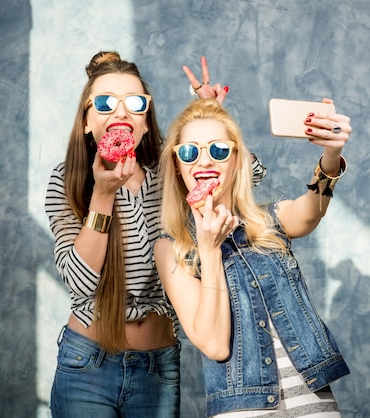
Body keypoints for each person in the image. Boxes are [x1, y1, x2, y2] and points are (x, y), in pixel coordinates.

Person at [45, 52, 266, 417]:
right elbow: (81, 285)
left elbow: (248, 174)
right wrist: (102, 196)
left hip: (157, 368)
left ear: (146, 122)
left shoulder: (171, 175)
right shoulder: (66, 181)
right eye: (104, 103)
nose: (120, 113)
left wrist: (211, 125)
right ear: (86, 121)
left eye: (134, 103)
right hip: (87, 365)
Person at [155, 98, 352, 417]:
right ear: (178, 168)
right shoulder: (172, 248)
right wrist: (209, 249)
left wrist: (331, 157)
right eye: (190, 152)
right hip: (243, 408)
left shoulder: (270, 220)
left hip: (311, 399)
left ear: (236, 160)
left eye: (218, 150)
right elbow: (215, 345)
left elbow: (312, 210)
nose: (204, 162)